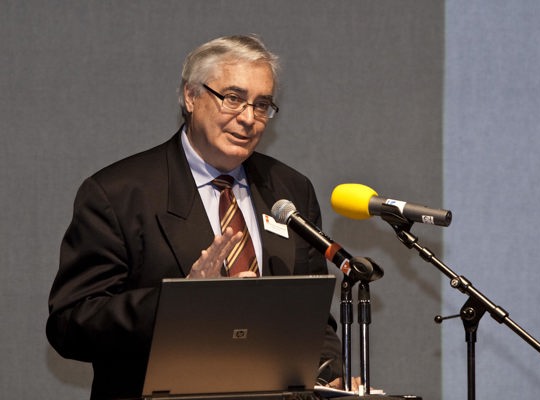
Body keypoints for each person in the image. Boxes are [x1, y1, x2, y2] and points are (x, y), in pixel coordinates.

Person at [46, 35, 349, 399]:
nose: (248, 118)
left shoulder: (289, 190)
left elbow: (313, 318)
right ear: (191, 96)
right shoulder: (119, 193)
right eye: (233, 98)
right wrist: (177, 303)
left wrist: (327, 373)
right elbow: (70, 324)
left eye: (262, 105)